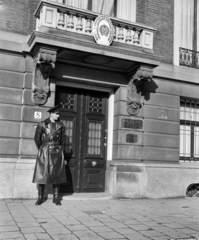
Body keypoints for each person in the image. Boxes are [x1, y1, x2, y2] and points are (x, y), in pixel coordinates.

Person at [32, 105, 66, 206]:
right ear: (51, 114)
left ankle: (56, 198)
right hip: (45, 150)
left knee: (57, 174)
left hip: (57, 151)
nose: (58, 115)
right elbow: (37, 139)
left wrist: (61, 151)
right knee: (42, 174)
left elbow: (62, 141)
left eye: (58, 114)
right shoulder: (42, 124)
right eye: (57, 114)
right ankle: (40, 197)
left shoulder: (61, 125)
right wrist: (42, 149)